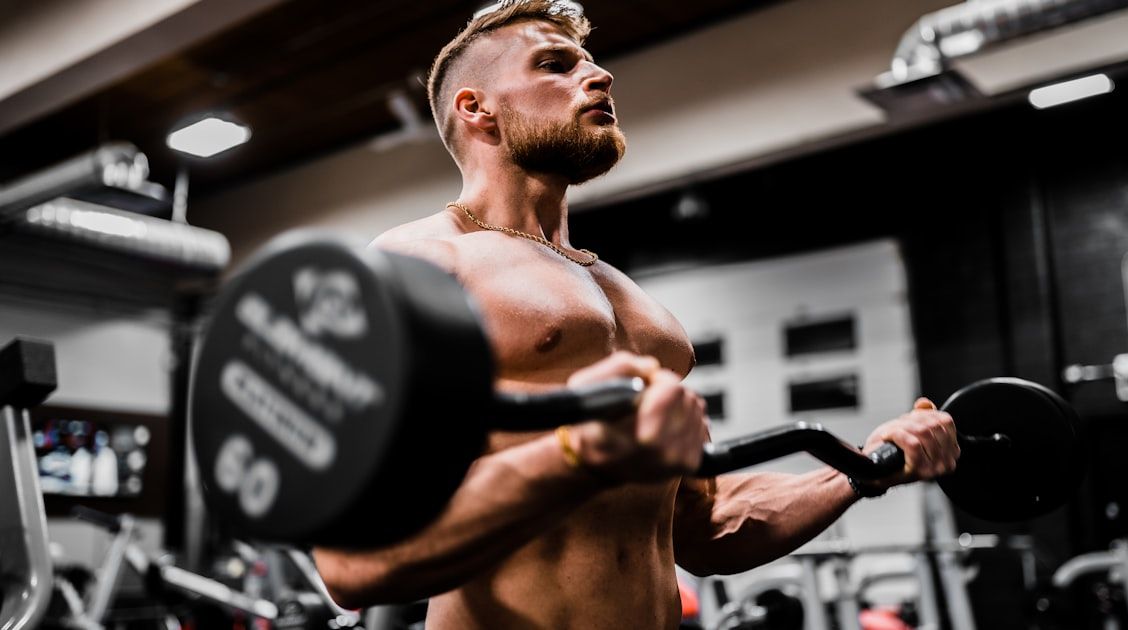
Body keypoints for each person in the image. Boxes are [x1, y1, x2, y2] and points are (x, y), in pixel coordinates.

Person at [312, 2, 960, 628]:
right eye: (555, 64)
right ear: (477, 107)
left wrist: (868, 466)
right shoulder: (418, 265)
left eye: (589, 62)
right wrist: (575, 451)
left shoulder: (631, 301)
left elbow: (702, 527)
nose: (599, 75)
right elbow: (354, 563)